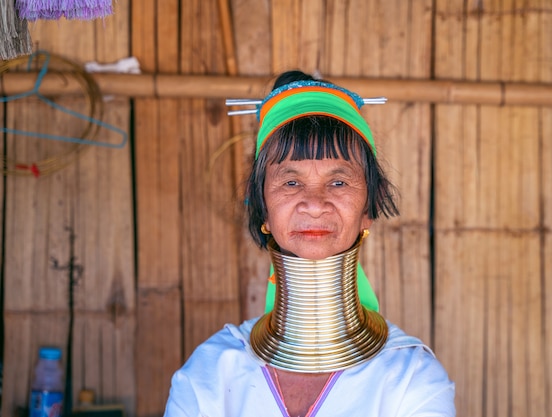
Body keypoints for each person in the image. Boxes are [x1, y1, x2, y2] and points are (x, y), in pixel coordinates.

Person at [163, 70, 455, 417]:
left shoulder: (411, 379)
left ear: (368, 210)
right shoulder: (210, 373)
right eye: (290, 182)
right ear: (264, 211)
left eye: (338, 182)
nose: (314, 204)